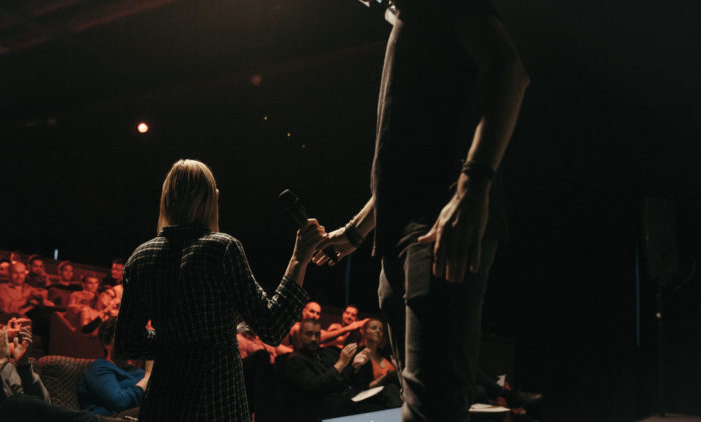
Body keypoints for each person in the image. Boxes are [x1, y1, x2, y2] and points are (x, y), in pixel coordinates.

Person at [313, 1, 529, 419]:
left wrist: (471, 187)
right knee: (418, 405)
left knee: (434, 407)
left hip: (434, 229)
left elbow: (509, 70)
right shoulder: (409, 22)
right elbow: (409, 162)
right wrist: (354, 232)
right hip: (400, 234)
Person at [114, 159, 324, 421]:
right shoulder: (222, 249)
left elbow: (126, 343)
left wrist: (174, 340)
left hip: (162, 405)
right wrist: (299, 257)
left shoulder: (140, 257)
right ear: (210, 199)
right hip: (216, 400)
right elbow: (272, 327)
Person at [78, 317, 152, 417]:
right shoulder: (99, 367)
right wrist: (148, 376)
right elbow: (118, 402)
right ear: (107, 343)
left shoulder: (138, 372)